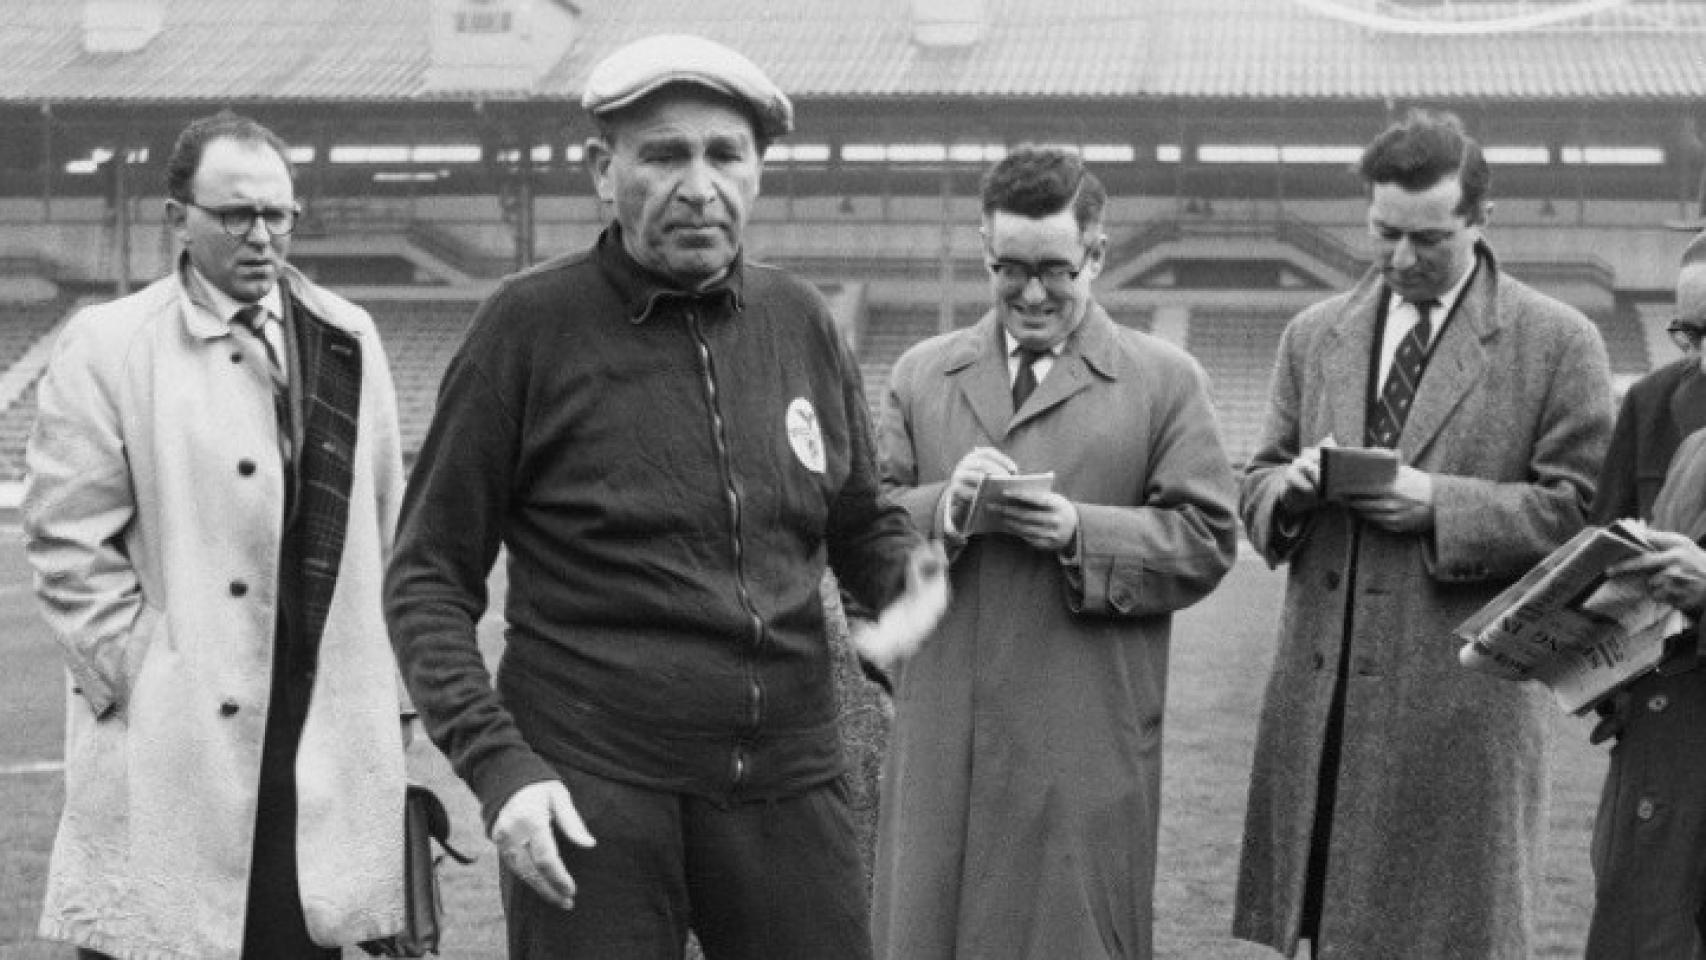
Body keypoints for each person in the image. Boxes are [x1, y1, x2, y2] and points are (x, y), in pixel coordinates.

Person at [383, 34, 941, 960]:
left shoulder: (801, 319)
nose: (699, 185)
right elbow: (428, 578)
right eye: (664, 155)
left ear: (758, 171)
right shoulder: (525, 328)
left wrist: (916, 587)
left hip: (787, 781)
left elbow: (859, 518)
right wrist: (502, 769)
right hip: (590, 782)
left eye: (726, 155)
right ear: (604, 170)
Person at [24, 111, 410, 960]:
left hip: (314, 738)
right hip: (175, 741)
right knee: (159, 941)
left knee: (300, 943)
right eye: (236, 214)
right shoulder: (107, 342)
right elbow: (65, 545)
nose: (262, 235)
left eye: (278, 214)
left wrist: (394, 701)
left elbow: (388, 533)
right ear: (178, 217)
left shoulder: (346, 335)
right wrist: (141, 672)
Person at [1230, 108, 1614, 959]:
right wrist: (1287, 492)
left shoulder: (1559, 342)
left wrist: (1441, 504)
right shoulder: (1312, 335)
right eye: (1383, 233)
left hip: (1461, 714)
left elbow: (1582, 515)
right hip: (1322, 700)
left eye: (1428, 240)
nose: (1401, 259)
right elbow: (1252, 477)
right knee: (1329, 936)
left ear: (1482, 221)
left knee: (1451, 937)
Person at [872, 146, 1240, 960]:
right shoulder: (920, 375)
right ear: (984, 253)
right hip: (942, 739)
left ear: (1097, 256)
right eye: (1010, 268)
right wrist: (945, 511)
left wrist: (1082, 533)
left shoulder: (1165, 380)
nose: (1031, 292)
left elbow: (1211, 538)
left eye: (1055, 269)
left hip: (1082, 738)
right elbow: (864, 531)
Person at [1582, 229, 1706, 958]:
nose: (1701, 356)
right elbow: (1599, 550)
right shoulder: (1655, 400)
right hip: (1663, 739)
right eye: (1687, 331)